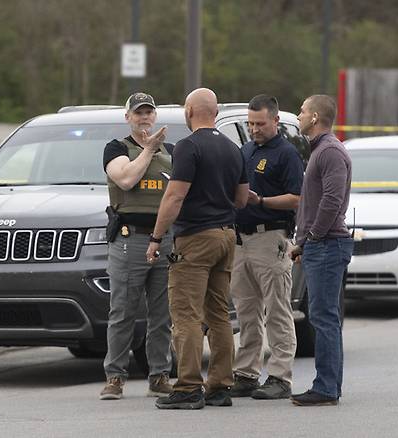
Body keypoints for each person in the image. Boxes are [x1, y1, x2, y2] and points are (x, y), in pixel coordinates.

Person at [147, 88, 249, 409]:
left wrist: (155, 237)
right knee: (218, 313)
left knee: (186, 314)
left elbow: (174, 196)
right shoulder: (234, 149)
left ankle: (188, 386)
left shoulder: (188, 147)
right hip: (226, 235)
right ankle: (220, 385)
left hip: (195, 238)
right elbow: (242, 198)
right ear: (215, 112)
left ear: (189, 111)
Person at [99, 92, 174, 400]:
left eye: (149, 112)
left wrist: (158, 149)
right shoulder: (117, 149)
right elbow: (127, 180)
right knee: (123, 310)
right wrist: (148, 150)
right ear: (127, 117)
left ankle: (159, 375)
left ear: (155, 116)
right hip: (130, 239)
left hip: (165, 238)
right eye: (138, 113)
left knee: (162, 314)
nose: (144, 117)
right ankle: (115, 376)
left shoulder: (171, 152)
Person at [229, 95, 304, 400]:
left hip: (270, 238)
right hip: (241, 240)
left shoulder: (286, 154)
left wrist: (261, 201)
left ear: (275, 120)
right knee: (246, 311)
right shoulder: (246, 150)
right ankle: (246, 373)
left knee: (277, 310)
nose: (254, 128)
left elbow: (297, 198)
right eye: (250, 123)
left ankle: (280, 376)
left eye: (260, 123)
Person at [289, 95, 353, 407]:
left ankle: (326, 387)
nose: (298, 116)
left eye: (301, 111)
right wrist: (303, 242)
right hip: (319, 246)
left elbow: (332, 199)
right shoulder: (321, 150)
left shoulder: (329, 151)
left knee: (324, 318)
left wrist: (312, 237)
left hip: (327, 246)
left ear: (314, 117)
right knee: (323, 316)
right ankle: (328, 385)